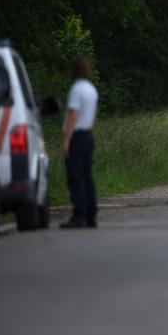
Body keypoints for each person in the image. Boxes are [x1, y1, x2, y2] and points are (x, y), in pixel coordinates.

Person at [60, 56, 99, 229]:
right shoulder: (92, 89)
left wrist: (66, 140)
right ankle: (91, 214)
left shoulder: (76, 89)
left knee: (75, 177)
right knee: (87, 176)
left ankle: (79, 215)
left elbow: (73, 115)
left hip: (77, 136)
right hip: (88, 135)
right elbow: (92, 116)